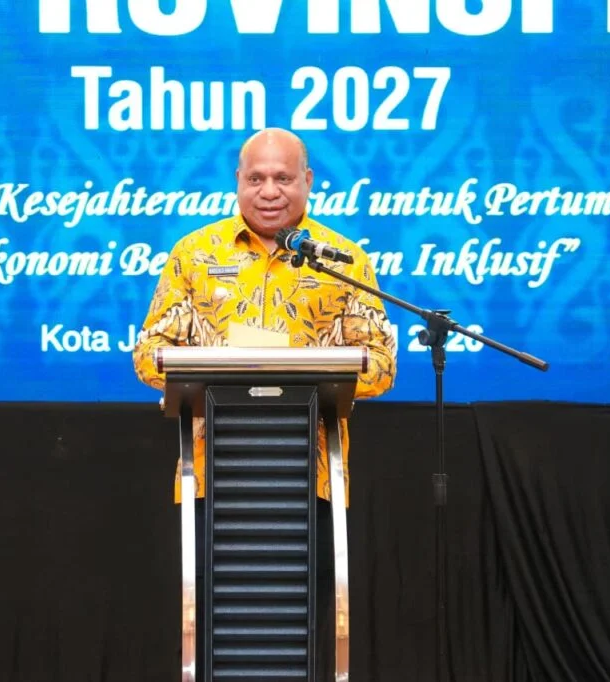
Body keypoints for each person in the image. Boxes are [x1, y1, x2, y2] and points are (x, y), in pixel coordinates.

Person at [132, 128, 397, 680]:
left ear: (308, 181)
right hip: (211, 477)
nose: (269, 190)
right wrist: (218, 366)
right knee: (213, 631)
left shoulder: (342, 259)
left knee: (299, 634)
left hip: (310, 478)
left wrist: (305, 368)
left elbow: (381, 365)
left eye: (282, 177)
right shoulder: (194, 255)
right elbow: (149, 356)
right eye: (256, 178)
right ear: (238, 182)